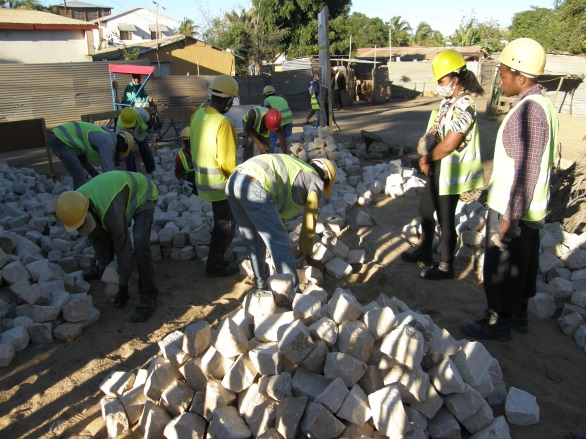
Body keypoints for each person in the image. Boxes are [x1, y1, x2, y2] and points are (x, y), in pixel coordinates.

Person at [461, 38, 559, 341]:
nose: (500, 80)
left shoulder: (529, 112)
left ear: (521, 77)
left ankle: (497, 322)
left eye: (502, 75)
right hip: (532, 208)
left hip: (512, 207)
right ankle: (518, 316)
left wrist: (511, 218)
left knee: (501, 267)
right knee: (524, 264)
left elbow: (527, 169)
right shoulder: (543, 104)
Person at [401, 49, 484, 280]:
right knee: (426, 211)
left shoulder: (466, 105)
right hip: (438, 168)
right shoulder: (449, 102)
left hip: (451, 172)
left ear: (455, 79)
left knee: (446, 220)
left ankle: (447, 266)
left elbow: (449, 144)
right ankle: (426, 252)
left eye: (442, 79)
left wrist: (425, 158)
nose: (439, 84)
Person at [54, 170, 159, 322]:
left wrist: (122, 286)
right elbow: (100, 246)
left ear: (89, 209)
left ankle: (149, 300)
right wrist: (106, 275)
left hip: (143, 192)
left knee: (140, 244)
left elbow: (124, 248)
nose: (83, 227)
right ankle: (101, 270)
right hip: (115, 195)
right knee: (100, 234)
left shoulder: (109, 211)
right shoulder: (75, 207)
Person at [226, 154, 336, 293]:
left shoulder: (296, 167)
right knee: (280, 242)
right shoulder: (315, 180)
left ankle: (262, 283)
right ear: (325, 179)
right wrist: (307, 254)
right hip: (255, 184)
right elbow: (310, 220)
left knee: (253, 239)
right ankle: (292, 293)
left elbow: (277, 210)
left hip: (233, 181)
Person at [190, 74, 241, 278]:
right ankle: (215, 265)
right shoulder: (223, 123)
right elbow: (227, 163)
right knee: (226, 226)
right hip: (220, 185)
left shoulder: (198, 115)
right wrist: (239, 184)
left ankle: (217, 258)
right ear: (229, 100)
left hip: (202, 181)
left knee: (222, 223)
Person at [49, 121, 134, 189]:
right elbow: (108, 172)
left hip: (59, 137)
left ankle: (79, 201)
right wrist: (117, 188)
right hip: (61, 139)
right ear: (122, 145)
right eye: (121, 151)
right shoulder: (108, 143)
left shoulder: (105, 137)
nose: (118, 155)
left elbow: (82, 158)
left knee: (80, 175)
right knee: (79, 176)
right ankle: (79, 206)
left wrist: (94, 174)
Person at [116, 107, 156, 175]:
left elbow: (148, 121)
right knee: (128, 154)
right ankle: (133, 175)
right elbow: (119, 142)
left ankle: (152, 171)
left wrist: (150, 130)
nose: (130, 127)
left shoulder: (142, 113)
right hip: (127, 134)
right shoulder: (120, 126)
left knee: (145, 149)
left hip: (140, 132)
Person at [174, 126, 197, 196]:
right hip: (190, 185)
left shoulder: (204, 151)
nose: (186, 144)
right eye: (185, 141)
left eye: (188, 141)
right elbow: (178, 171)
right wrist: (181, 181)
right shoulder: (180, 155)